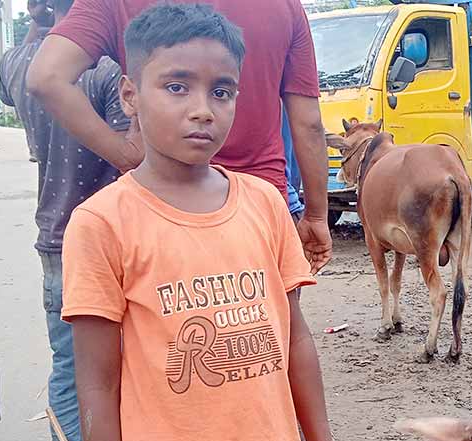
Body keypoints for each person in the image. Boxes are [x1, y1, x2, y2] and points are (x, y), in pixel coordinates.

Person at [62, 5, 345, 441]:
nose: (202, 108)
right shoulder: (102, 225)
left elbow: (296, 342)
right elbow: (97, 388)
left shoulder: (264, 205)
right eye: (176, 86)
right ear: (130, 95)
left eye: (222, 91)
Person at [26, 0, 334, 274]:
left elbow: (47, 76)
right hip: (259, 209)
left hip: (158, 207)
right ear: (128, 93)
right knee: (265, 326)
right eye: (177, 87)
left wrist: (124, 155)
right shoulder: (285, 6)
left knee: (163, 331)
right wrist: (317, 216)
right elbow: (308, 123)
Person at [0, 0, 129, 441]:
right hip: (105, 239)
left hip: (53, 237)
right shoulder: (101, 69)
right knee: (116, 366)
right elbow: (136, 153)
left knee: (67, 368)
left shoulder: (16, 63)